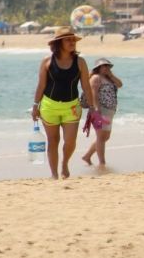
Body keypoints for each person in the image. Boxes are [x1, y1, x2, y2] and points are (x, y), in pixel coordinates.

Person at [31, 27, 97, 179]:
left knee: (70, 141)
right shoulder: (47, 62)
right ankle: (54, 175)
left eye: (73, 40)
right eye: (68, 40)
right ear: (59, 43)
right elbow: (41, 85)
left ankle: (65, 163)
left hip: (72, 106)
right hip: (49, 106)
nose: (72, 42)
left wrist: (92, 108)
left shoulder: (80, 62)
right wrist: (35, 106)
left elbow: (86, 86)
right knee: (53, 141)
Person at [81, 58, 122, 167]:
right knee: (101, 137)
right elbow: (93, 93)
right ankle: (102, 162)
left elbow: (120, 84)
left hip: (109, 111)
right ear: (98, 68)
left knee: (105, 137)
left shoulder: (109, 79)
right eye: (104, 66)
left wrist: (111, 75)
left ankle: (87, 156)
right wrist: (96, 109)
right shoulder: (95, 78)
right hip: (100, 110)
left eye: (108, 66)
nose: (106, 68)